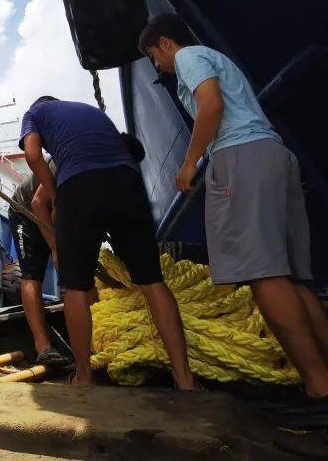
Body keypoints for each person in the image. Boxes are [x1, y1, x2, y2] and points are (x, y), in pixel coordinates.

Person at [138, 13, 328, 411]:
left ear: (165, 43)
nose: (158, 66)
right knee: (292, 279)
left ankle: (320, 389)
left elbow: (211, 104)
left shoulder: (189, 58)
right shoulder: (217, 57)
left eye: (154, 56)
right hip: (273, 156)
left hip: (240, 159)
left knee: (262, 274)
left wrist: (189, 163)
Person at [20, 96, 196, 389]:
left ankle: (85, 377)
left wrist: (55, 194)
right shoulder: (89, 110)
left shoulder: (35, 111)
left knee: (75, 287)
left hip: (78, 185)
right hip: (126, 182)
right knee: (152, 280)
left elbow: (33, 155)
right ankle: (185, 378)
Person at [7, 160, 73, 373]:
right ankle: (43, 346)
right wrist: (54, 247)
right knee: (32, 274)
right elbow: (37, 202)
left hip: (54, 214)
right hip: (25, 212)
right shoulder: (68, 161)